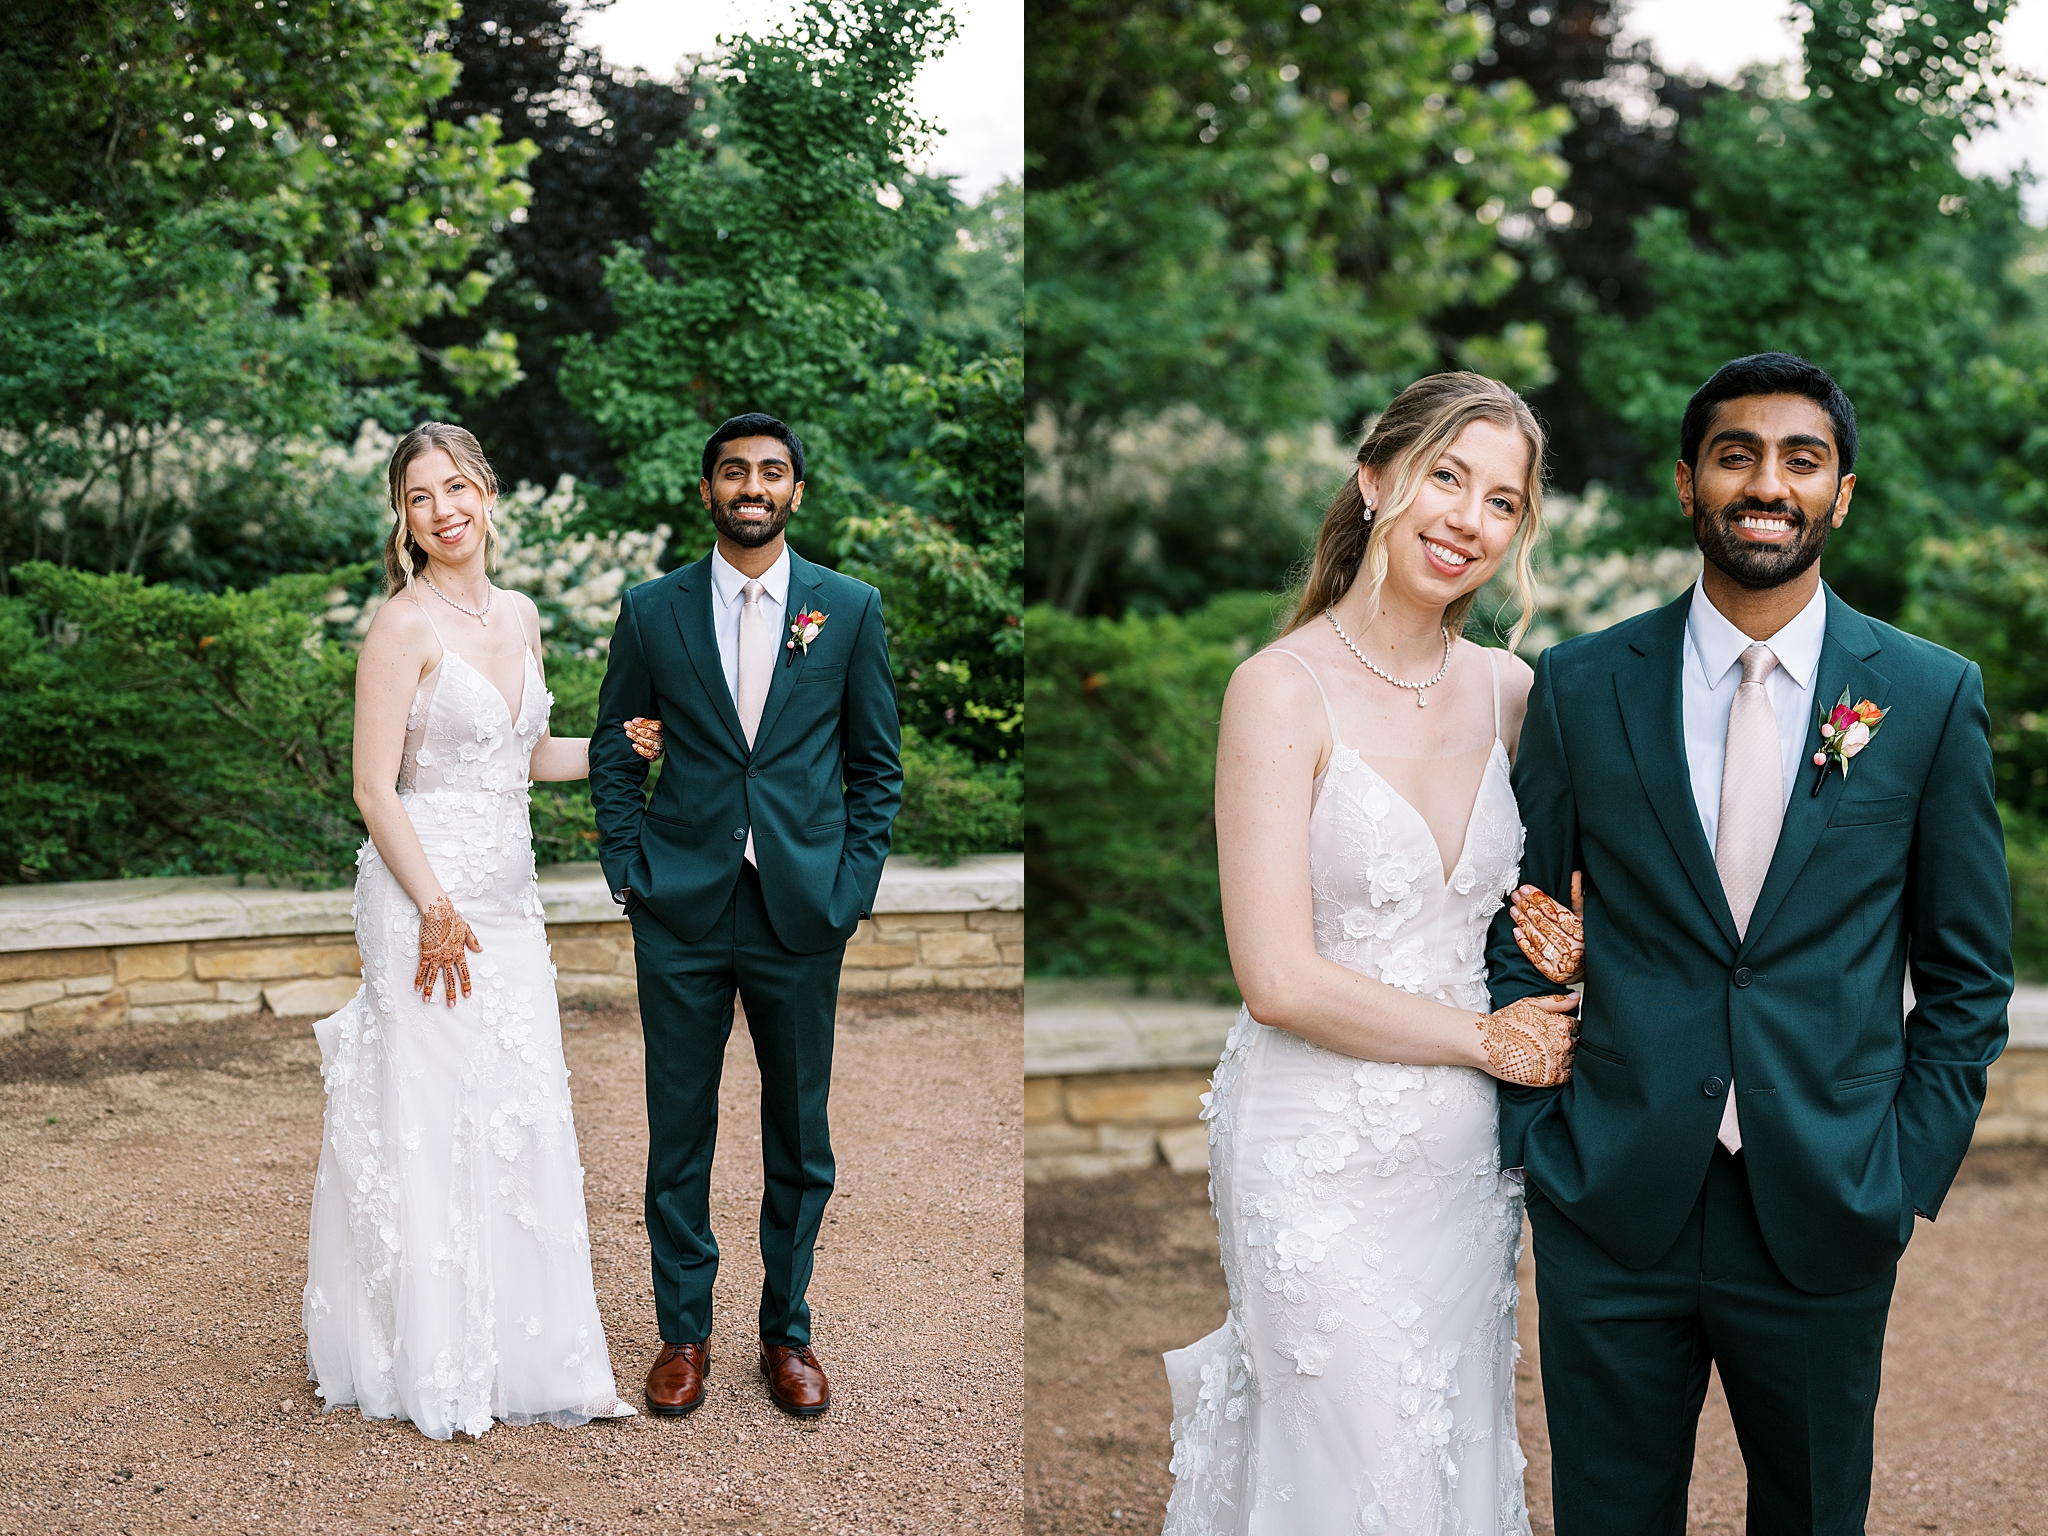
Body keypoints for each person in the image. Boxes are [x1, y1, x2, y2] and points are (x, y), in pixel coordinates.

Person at [1490, 352, 2012, 1533]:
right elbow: (1517, 922)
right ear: (1687, 485)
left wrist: (1899, 1171)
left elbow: (1968, 975)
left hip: (1826, 1195)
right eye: (1734, 456)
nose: (1763, 483)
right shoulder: (1578, 687)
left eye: (1799, 459)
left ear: (1839, 494)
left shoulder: (1925, 697)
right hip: (1611, 1197)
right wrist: (1542, 1140)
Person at [1162, 373, 1580, 1536]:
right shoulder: (1276, 691)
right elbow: (1276, 978)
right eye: (1446, 476)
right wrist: (1484, 1040)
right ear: (1376, 477)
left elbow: (1549, 900)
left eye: (1501, 501)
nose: (1466, 519)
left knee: (1448, 1447)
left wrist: (1568, 938)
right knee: (1355, 1468)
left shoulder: (1512, 693)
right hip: (1314, 1144)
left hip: (1464, 1163)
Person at [303, 422, 664, 1441]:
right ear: (403, 519)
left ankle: (547, 1362)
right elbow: (377, 788)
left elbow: (520, 754)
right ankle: (435, 1362)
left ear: (487, 493)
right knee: (431, 1118)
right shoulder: (401, 626)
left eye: (454, 487)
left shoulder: (520, 614)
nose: (441, 510)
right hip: (424, 897)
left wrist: (618, 746)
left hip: (509, 900)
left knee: (520, 1113)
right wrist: (435, 909)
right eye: (418, 497)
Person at [588, 413, 902, 1421]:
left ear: (795, 493)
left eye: (771, 472)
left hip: (799, 913)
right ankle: (683, 1332)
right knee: (677, 1132)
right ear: (707, 490)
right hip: (678, 907)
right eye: (734, 472)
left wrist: (848, 888)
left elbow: (875, 769)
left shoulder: (845, 610)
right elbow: (612, 745)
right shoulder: (650, 610)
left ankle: (786, 1332)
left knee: (798, 1138)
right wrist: (628, 869)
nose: (752, 487)